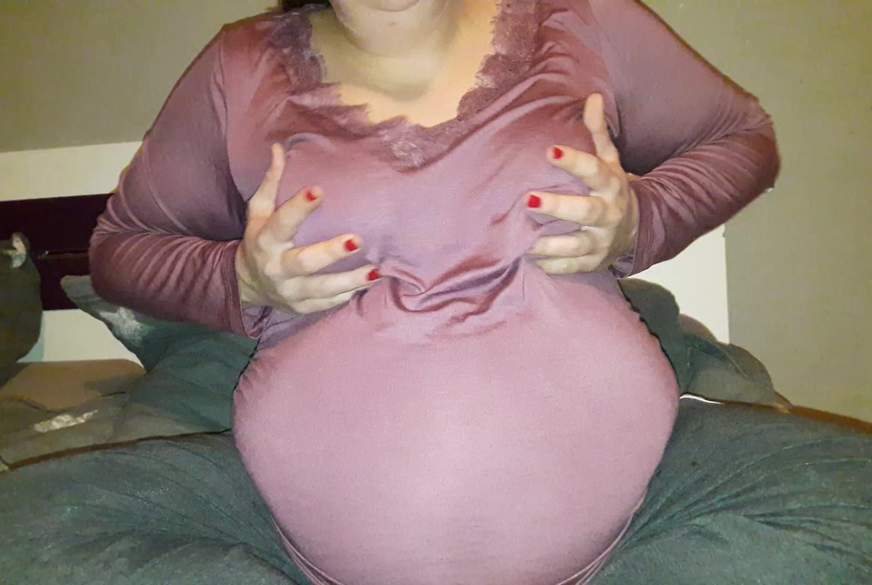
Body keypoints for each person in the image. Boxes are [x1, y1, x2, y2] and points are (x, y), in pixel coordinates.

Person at [0, 1, 869, 584]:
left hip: (644, 506)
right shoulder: (239, 67)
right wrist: (238, 278)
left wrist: (642, 215)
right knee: (20, 528)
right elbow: (120, 251)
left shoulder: (582, 20)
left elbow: (742, 138)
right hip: (284, 530)